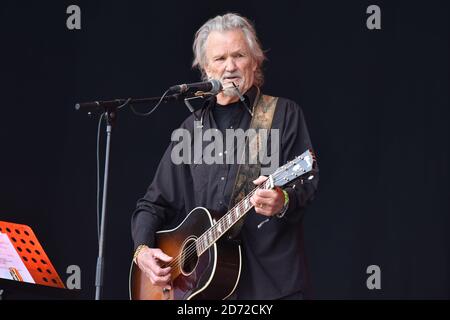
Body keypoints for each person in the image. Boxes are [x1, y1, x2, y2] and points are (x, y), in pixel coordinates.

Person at [131, 13, 319, 300]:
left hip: (272, 287)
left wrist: (283, 200)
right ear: (206, 69)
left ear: (255, 62)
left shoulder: (282, 115)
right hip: (203, 290)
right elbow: (152, 204)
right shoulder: (191, 130)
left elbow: (306, 184)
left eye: (239, 55)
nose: (230, 66)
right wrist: (142, 250)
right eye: (219, 59)